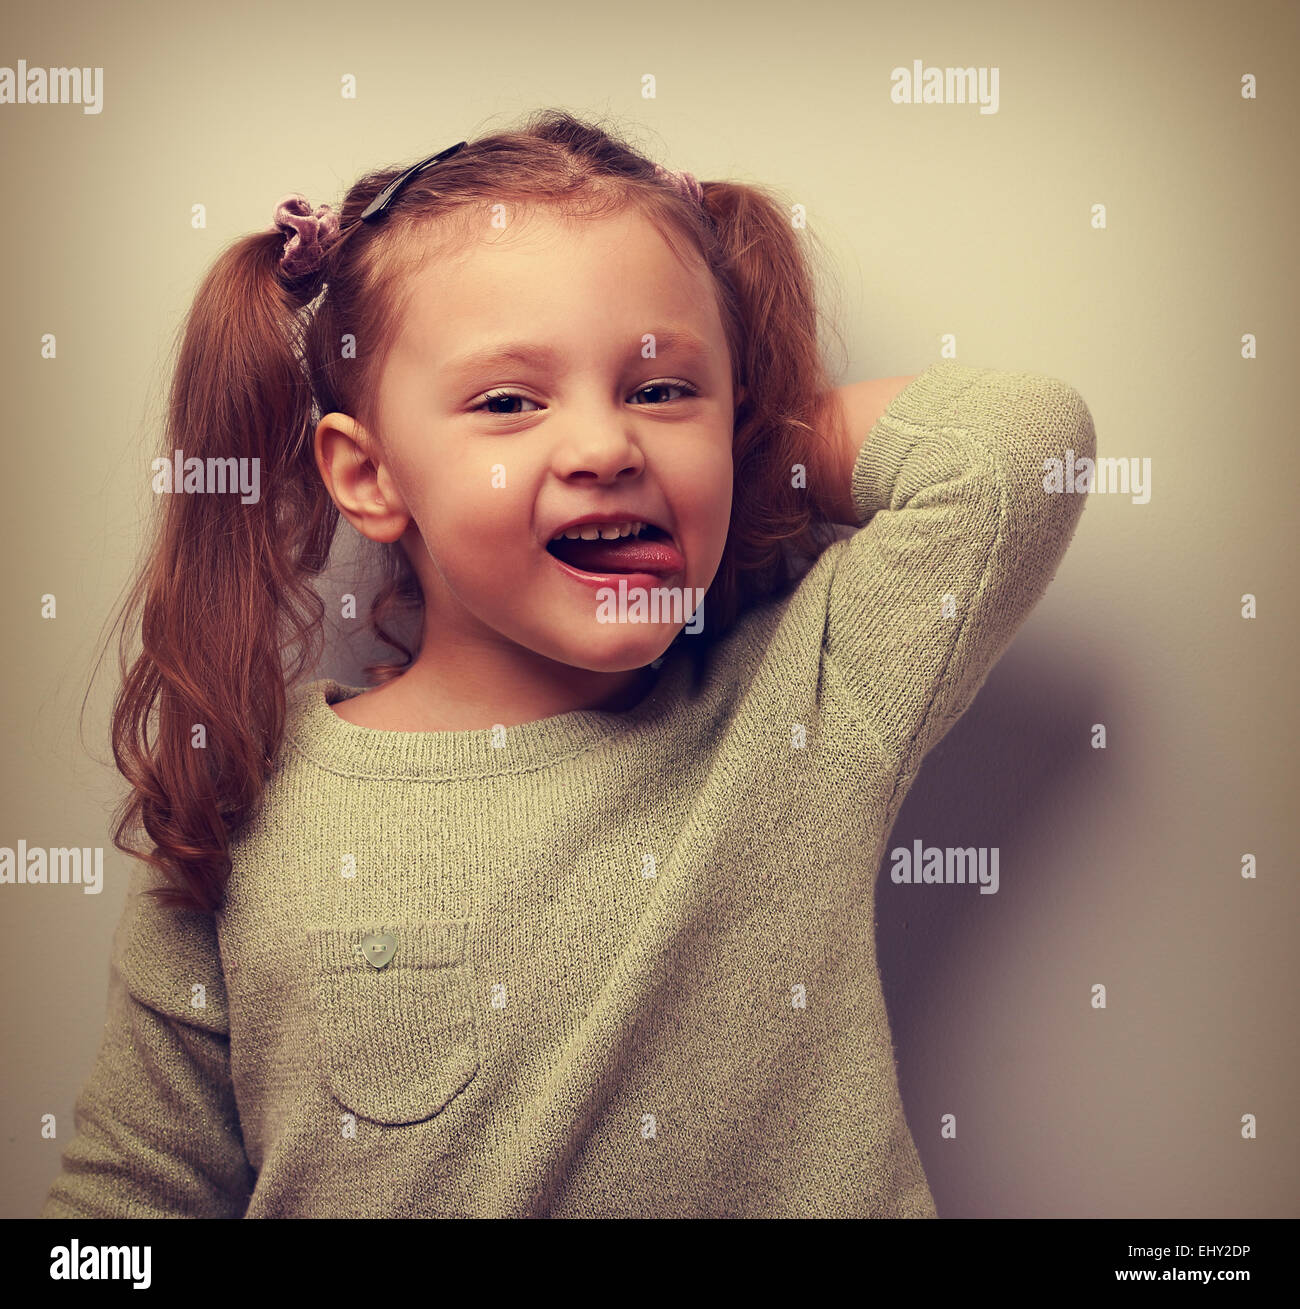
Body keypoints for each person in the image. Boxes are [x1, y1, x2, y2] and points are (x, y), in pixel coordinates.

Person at [40, 108, 1094, 1218]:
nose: (602, 447)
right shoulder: (248, 793)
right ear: (369, 474)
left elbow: (1015, 447)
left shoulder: (805, 700)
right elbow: (125, 1204)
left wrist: (721, 463)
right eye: (509, 402)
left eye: (658, 388)